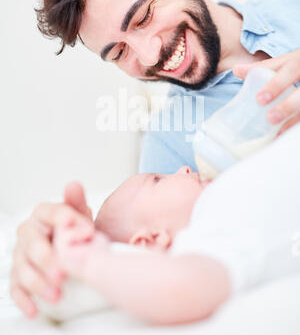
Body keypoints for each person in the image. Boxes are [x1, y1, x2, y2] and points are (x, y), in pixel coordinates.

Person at [11, 0, 300, 317]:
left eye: (144, 16)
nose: (150, 57)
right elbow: (155, 259)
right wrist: (61, 244)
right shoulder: (171, 148)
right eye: (119, 53)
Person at [53, 124, 300, 324]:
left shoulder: (213, 199)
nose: (183, 168)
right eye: (158, 180)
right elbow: (186, 286)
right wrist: (90, 262)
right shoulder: (208, 231)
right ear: (152, 239)